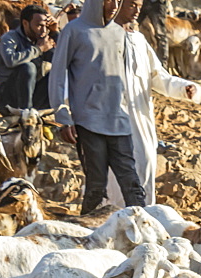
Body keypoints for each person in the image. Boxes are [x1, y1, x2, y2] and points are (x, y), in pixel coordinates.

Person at [49, 0, 146, 214]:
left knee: (132, 184)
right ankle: (86, 235)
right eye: (109, 0)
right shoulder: (74, 31)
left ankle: (145, 235)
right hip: (88, 121)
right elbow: (57, 75)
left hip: (119, 120)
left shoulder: (120, 33)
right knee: (96, 186)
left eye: (118, 0)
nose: (114, 5)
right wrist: (63, 116)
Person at [107, 0, 200, 207]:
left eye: (139, 5)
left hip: (141, 120)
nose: (137, 9)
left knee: (145, 166)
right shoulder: (101, 37)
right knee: (114, 179)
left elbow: (159, 77)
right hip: (111, 120)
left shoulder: (139, 40)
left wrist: (185, 88)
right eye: (131, 4)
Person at [0, 5, 57, 114]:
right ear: (25, 23)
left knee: (58, 70)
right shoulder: (10, 38)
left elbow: (64, 59)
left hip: (32, 96)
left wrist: (55, 33)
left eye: (46, 26)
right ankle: (26, 114)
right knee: (28, 67)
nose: (43, 30)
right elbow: (10, 60)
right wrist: (38, 50)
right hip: (6, 99)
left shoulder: (41, 39)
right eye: (39, 26)